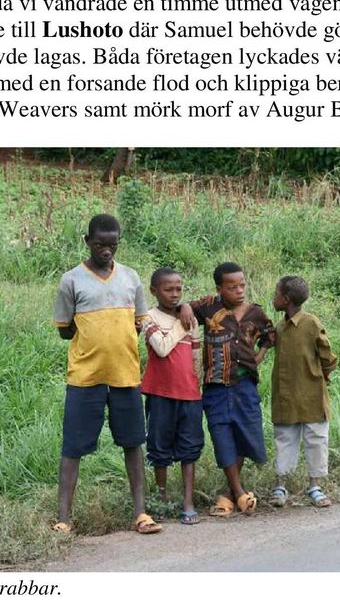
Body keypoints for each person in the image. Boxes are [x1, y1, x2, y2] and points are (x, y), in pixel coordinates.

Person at [52, 214, 161, 535]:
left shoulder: (130, 277)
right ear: (88, 241)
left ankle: (141, 513)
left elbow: (140, 322)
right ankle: (63, 519)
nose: (106, 251)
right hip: (85, 377)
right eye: (100, 244)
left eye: (112, 245)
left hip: (126, 375)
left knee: (133, 443)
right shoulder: (71, 279)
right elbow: (64, 329)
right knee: (73, 446)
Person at [182, 262, 274, 516]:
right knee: (221, 434)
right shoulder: (210, 307)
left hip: (244, 385)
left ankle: (231, 494)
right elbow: (184, 307)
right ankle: (240, 493)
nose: (239, 290)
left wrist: (259, 356)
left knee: (242, 434)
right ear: (219, 288)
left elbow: (269, 336)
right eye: (232, 287)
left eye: (242, 285)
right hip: (216, 384)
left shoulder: (255, 313)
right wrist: (188, 306)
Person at [141, 266, 204, 525]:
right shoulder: (148, 318)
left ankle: (188, 502)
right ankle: (162, 499)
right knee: (159, 445)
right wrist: (183, 319)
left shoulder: (190, 319)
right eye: (168, 290)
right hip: (160, 392)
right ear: (154, 291)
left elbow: (197, 355)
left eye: (179, 290)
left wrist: (197, 384)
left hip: (189, 393)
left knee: (189, 447)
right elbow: (163, 348)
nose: (175, 294)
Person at [269, 274, 338, 508]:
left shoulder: (311, 324)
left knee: (316, 439)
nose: (274, 297)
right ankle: (281, 484)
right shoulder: (279, 327)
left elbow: (328, 358)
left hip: (312, 396)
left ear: (286, 299)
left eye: (276, 293)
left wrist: (321, 379)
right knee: (284, 439)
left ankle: (315, 486)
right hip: (286, 396)